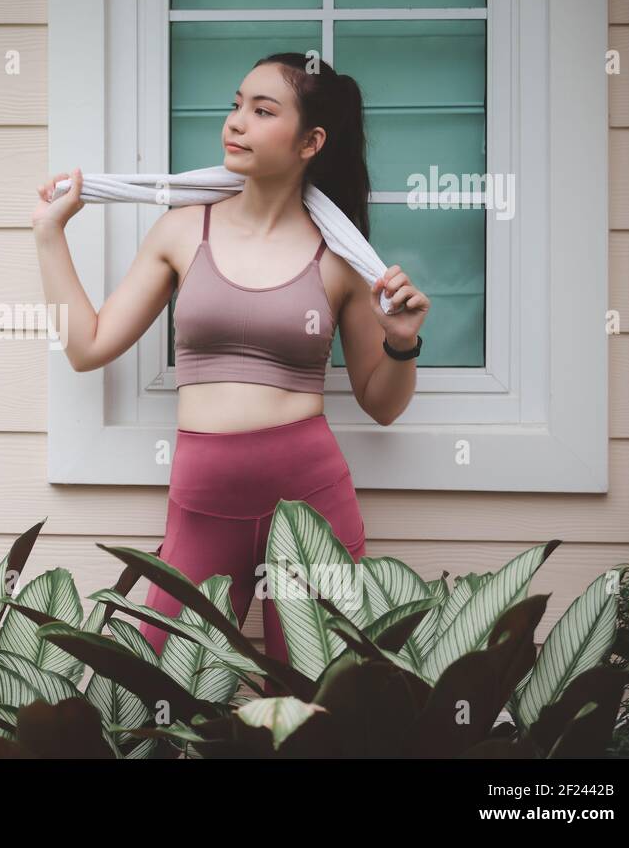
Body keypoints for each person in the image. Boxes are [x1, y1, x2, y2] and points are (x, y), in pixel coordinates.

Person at [31, 52, 430, 687]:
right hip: (202, 501)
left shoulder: (345, 258)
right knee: (151, 693)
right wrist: (50, 236)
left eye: (262, 111)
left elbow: (380, 403)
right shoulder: (183, 230)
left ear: (311, 142)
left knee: (315, 702)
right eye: (236, 103)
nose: (235, 122)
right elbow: (88, 345)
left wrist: (402, 344)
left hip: (310, 504)